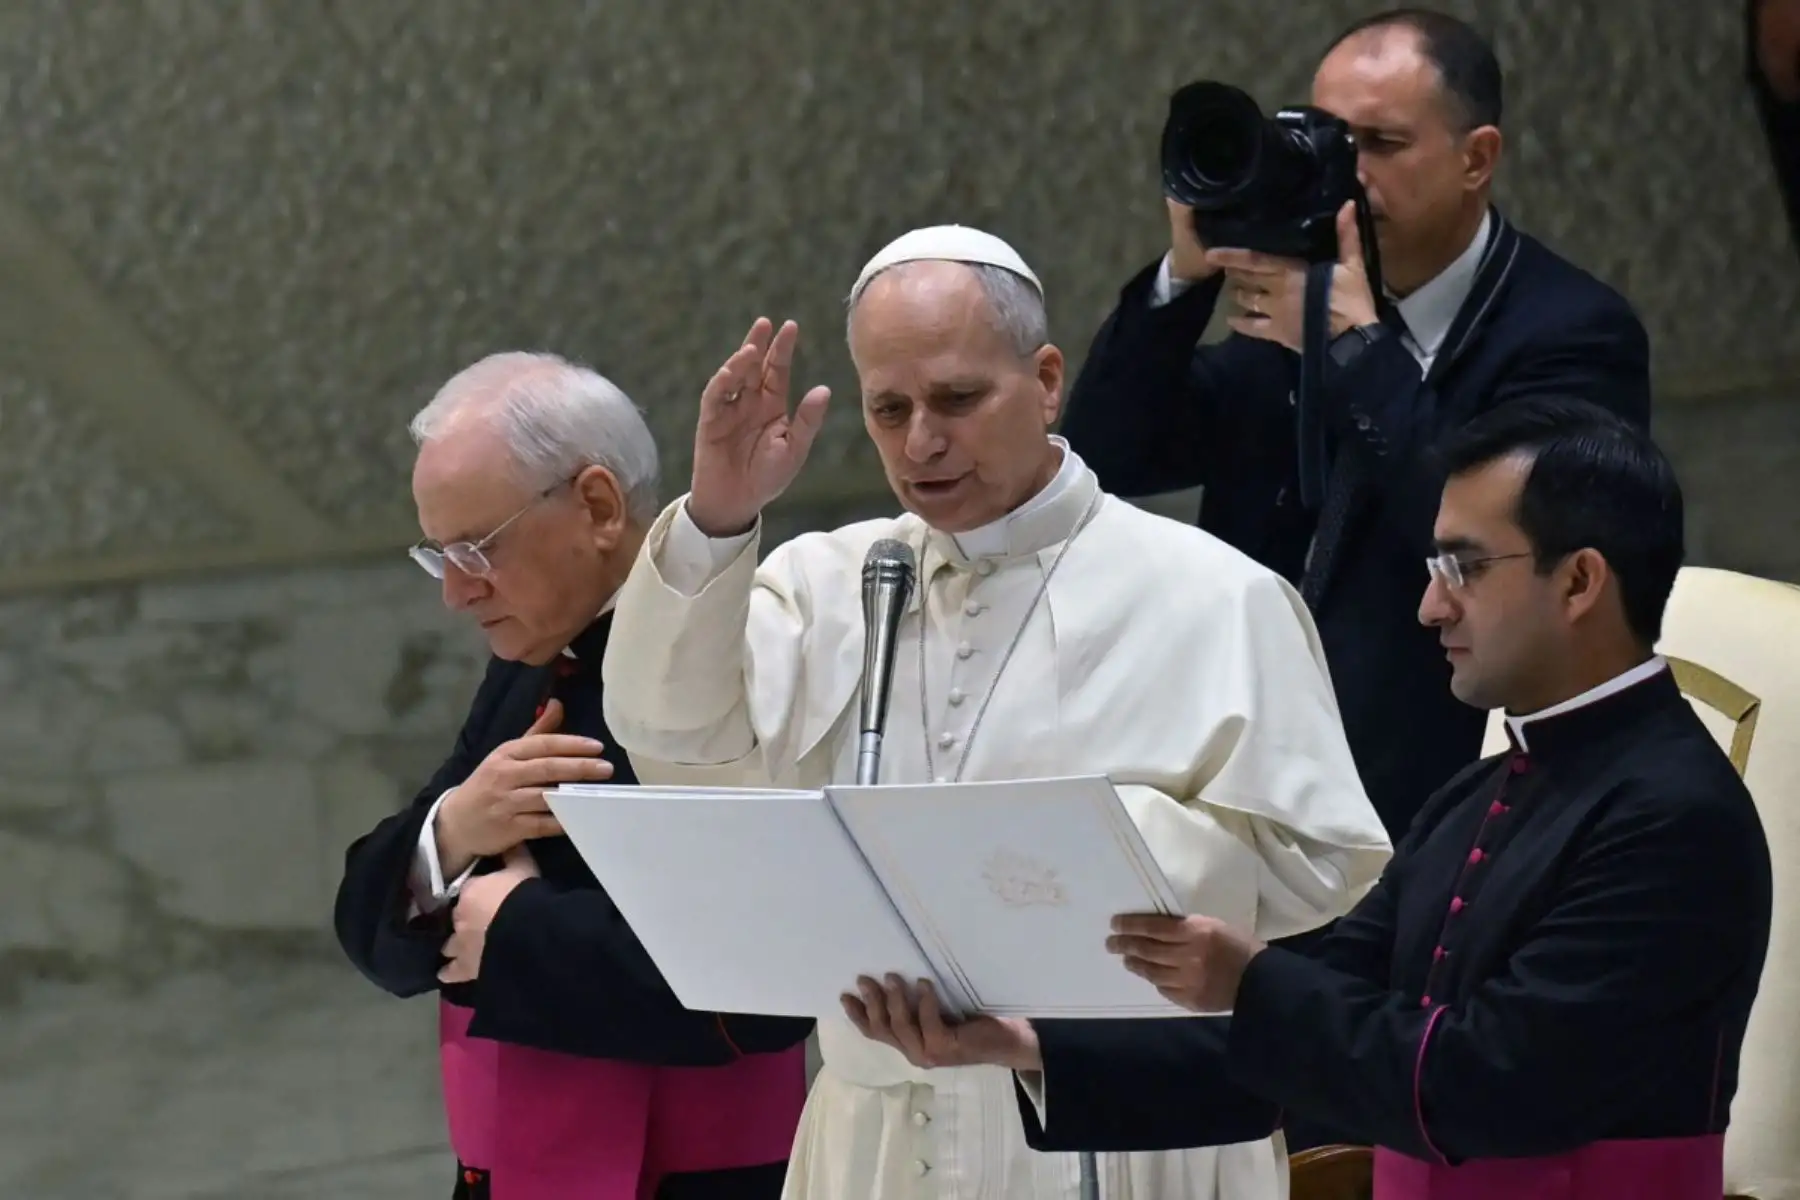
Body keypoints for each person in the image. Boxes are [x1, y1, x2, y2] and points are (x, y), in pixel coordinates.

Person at [597, 224, 1393, 1200]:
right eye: (889, 410)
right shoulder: (823, 584)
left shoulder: (1216, 596)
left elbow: (1323, 870)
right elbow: (673, 740)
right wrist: (720, 516)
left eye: (958, 399)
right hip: (879, 1134)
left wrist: (1069, 864)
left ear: (1047, 379)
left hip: (1125, 1130)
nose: (922, 441)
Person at [851, 396, 1773, 1200]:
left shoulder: (1673, 818)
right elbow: (1303, 1049)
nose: (1430, 608)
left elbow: (1488, 1082)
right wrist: (1024, 1044)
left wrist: (1252, 979)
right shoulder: (1478, 793)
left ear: (1579, 580)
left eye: (1464, 567)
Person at [1057, 7, 1652, 846]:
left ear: (1476, 157)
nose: (1347, 172)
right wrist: (1184, 281)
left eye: (1383, 144)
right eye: (1327, 139)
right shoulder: (1290, 307)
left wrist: (1356, 348)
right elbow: (1107, 456)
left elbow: (1513, 557)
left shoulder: (1572, 333)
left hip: (1439, 785)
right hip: (1245, 768)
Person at [331, 353, 812, 1200]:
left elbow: (773, 972)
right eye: (436, 555)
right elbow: (375, 942)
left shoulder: (741, 655)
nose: (454, 593)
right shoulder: (531, 657)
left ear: (597, 506)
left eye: (476, 550)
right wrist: (449, 834)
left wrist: (516, 929)